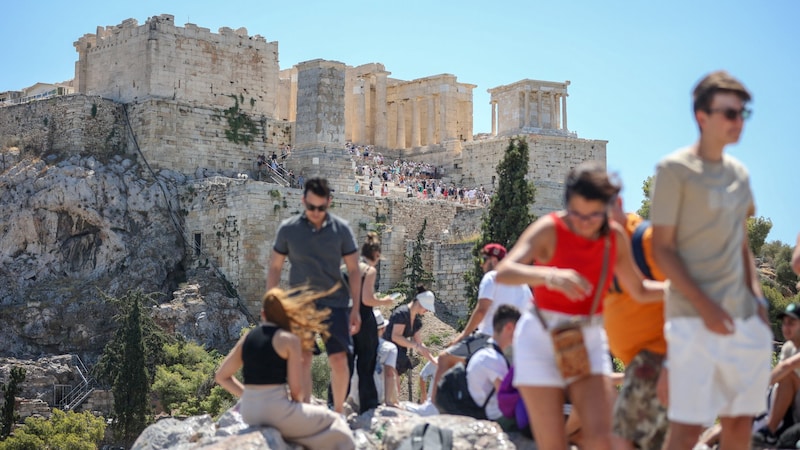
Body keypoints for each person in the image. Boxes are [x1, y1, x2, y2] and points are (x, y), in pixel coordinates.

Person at [495, 161, 664, 450]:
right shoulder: (549, 228)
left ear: (608, 207)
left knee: (601, 438)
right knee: (552, 444)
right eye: (576, 213)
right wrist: (550, 275)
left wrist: (683, 291)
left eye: (594, 215)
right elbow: (505, 271)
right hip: (539, 336)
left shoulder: (615, 239)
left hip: (586, 337)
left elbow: (639, 289)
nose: (584, 223)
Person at [650, 71, 772, 450]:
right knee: (687, 429)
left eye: (742, 113)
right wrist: (705, 307)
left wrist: (759, 304)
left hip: (743, 318)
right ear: (702, 116)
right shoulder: (674, 171)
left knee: (739, 425)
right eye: (729, 113)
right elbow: (662, 249)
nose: (738, 122)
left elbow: (739, 244)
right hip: (692, 318)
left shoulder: (740, 174)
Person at [215, 286, 355, 449]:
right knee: (336, 422)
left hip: (249, 412)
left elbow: (221, 376)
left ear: (263, 314)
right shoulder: (289, 340)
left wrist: (247, 396)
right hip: (277, 411)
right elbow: (296, 390)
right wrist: (297, 407)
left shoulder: (247, 337)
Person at [266, 177, 362, 414]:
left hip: (336, 304)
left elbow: (354, 269)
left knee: (340, 360)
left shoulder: (341, 230)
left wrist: (356, 309)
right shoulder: (289, 229)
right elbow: (275, 266)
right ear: (303, 201)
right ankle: (304, 412)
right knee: (302, 359)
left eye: (321, 207)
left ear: (329, 202)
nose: (316, 212)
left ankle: (338, 412)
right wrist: (271, 303)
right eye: (311, 207)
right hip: (301, 304)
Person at [604, 196, 668, 450]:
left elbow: (687, 298)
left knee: (623, 440)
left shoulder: (648, 240)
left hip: (657, 359)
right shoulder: (604, 245)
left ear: (618, 202)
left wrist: (672, 365)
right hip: (639, 364)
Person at [431, 243, 532, 403]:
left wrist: (462, 336)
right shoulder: (523, 285)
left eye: (483, 259)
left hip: (488, 338)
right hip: (515, 342)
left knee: (444, 358)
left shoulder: (492, 277)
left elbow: (481, 310)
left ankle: (433, 405)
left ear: (493, 260)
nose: (481, 264)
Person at [349, 232, 398, 414]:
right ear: (376, 255)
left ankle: (339, 399)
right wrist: (384, 302)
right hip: (364, 319)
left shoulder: (351, 266)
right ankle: (368, 403)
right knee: (366, 362)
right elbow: (367, 299)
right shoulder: (369, 270)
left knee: (348, 360)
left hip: (348, 316)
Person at [753, 303, 800, 446]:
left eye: (791, 323)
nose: (786, 327)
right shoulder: (788, 348)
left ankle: (769, 430)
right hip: (792, 408)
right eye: (784, 323)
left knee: (787, 375)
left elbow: (786, 367)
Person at [466, 304, 521, 421]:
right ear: (509, 328)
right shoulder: (494, 359)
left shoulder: (484, 353)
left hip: (478, 412)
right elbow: (506, 398)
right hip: (494, 417)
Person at [382, 285, 437, 377]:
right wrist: (415, 346)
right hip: (386, 355)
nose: (427, 310)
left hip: (397, 357)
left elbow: (420, 343)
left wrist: (434, 361)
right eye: (426, 307)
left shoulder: (416, 321)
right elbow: (395, 336)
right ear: (419, 303)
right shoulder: (401, 313)